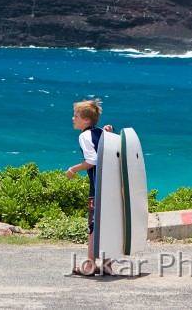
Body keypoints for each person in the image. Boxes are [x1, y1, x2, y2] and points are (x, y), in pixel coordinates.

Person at [65, 98, 113, 275]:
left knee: (92, 225)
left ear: (86, 120)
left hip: (97, 188)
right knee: (107, 224)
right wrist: (109, 130)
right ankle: (107, 265)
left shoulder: (84, 136)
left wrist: (73, 169)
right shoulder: (101, 132)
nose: (73, 118)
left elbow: (91, 161)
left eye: (76, 116)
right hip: (111, 187)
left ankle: (89, 265)